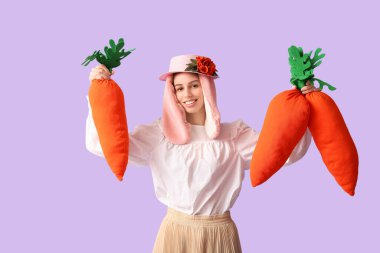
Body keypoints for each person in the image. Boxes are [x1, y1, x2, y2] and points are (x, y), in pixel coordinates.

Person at [85, 54, 318, 252]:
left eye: (194, 85)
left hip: (219, 235)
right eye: (179, 88)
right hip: (175, 235)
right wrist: (98, 94)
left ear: (206, 86)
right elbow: (106, 146)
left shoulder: (234, 136)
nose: (187, 94)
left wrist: (304, 106)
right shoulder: (159, 134)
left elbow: (284, 153)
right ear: (172, 93)